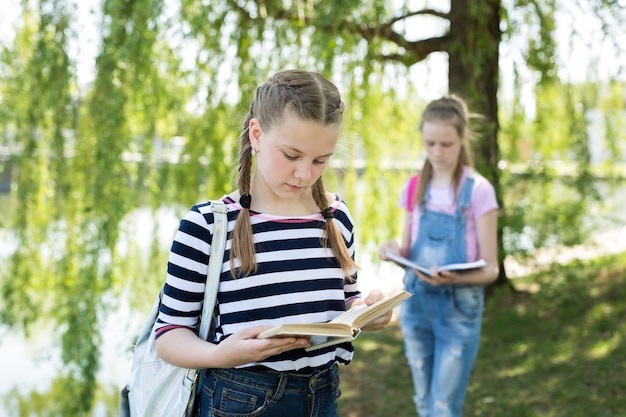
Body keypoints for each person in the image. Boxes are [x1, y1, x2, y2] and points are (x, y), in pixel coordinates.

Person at [154, 69, 392, 417]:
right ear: (257, 134)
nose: (305, 174)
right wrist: (221, 355)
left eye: (320, 160)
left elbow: (345, 298)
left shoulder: (336, 216)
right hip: (240, 400)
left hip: (323, 393)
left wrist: (365, 311)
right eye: (291, 155)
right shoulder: (208, 224)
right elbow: (170, 334)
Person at [379, 96, 500, 417]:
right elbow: (407, 249)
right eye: (429, 143)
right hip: (416, 306)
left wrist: (457, 277)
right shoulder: (415, 187)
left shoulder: (479, 191)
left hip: (459, 309)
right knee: (423, 403)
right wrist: (393, 251)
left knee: (444, 406)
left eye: (446, 144)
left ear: (462, 139)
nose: (437, 152)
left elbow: (491, 269)